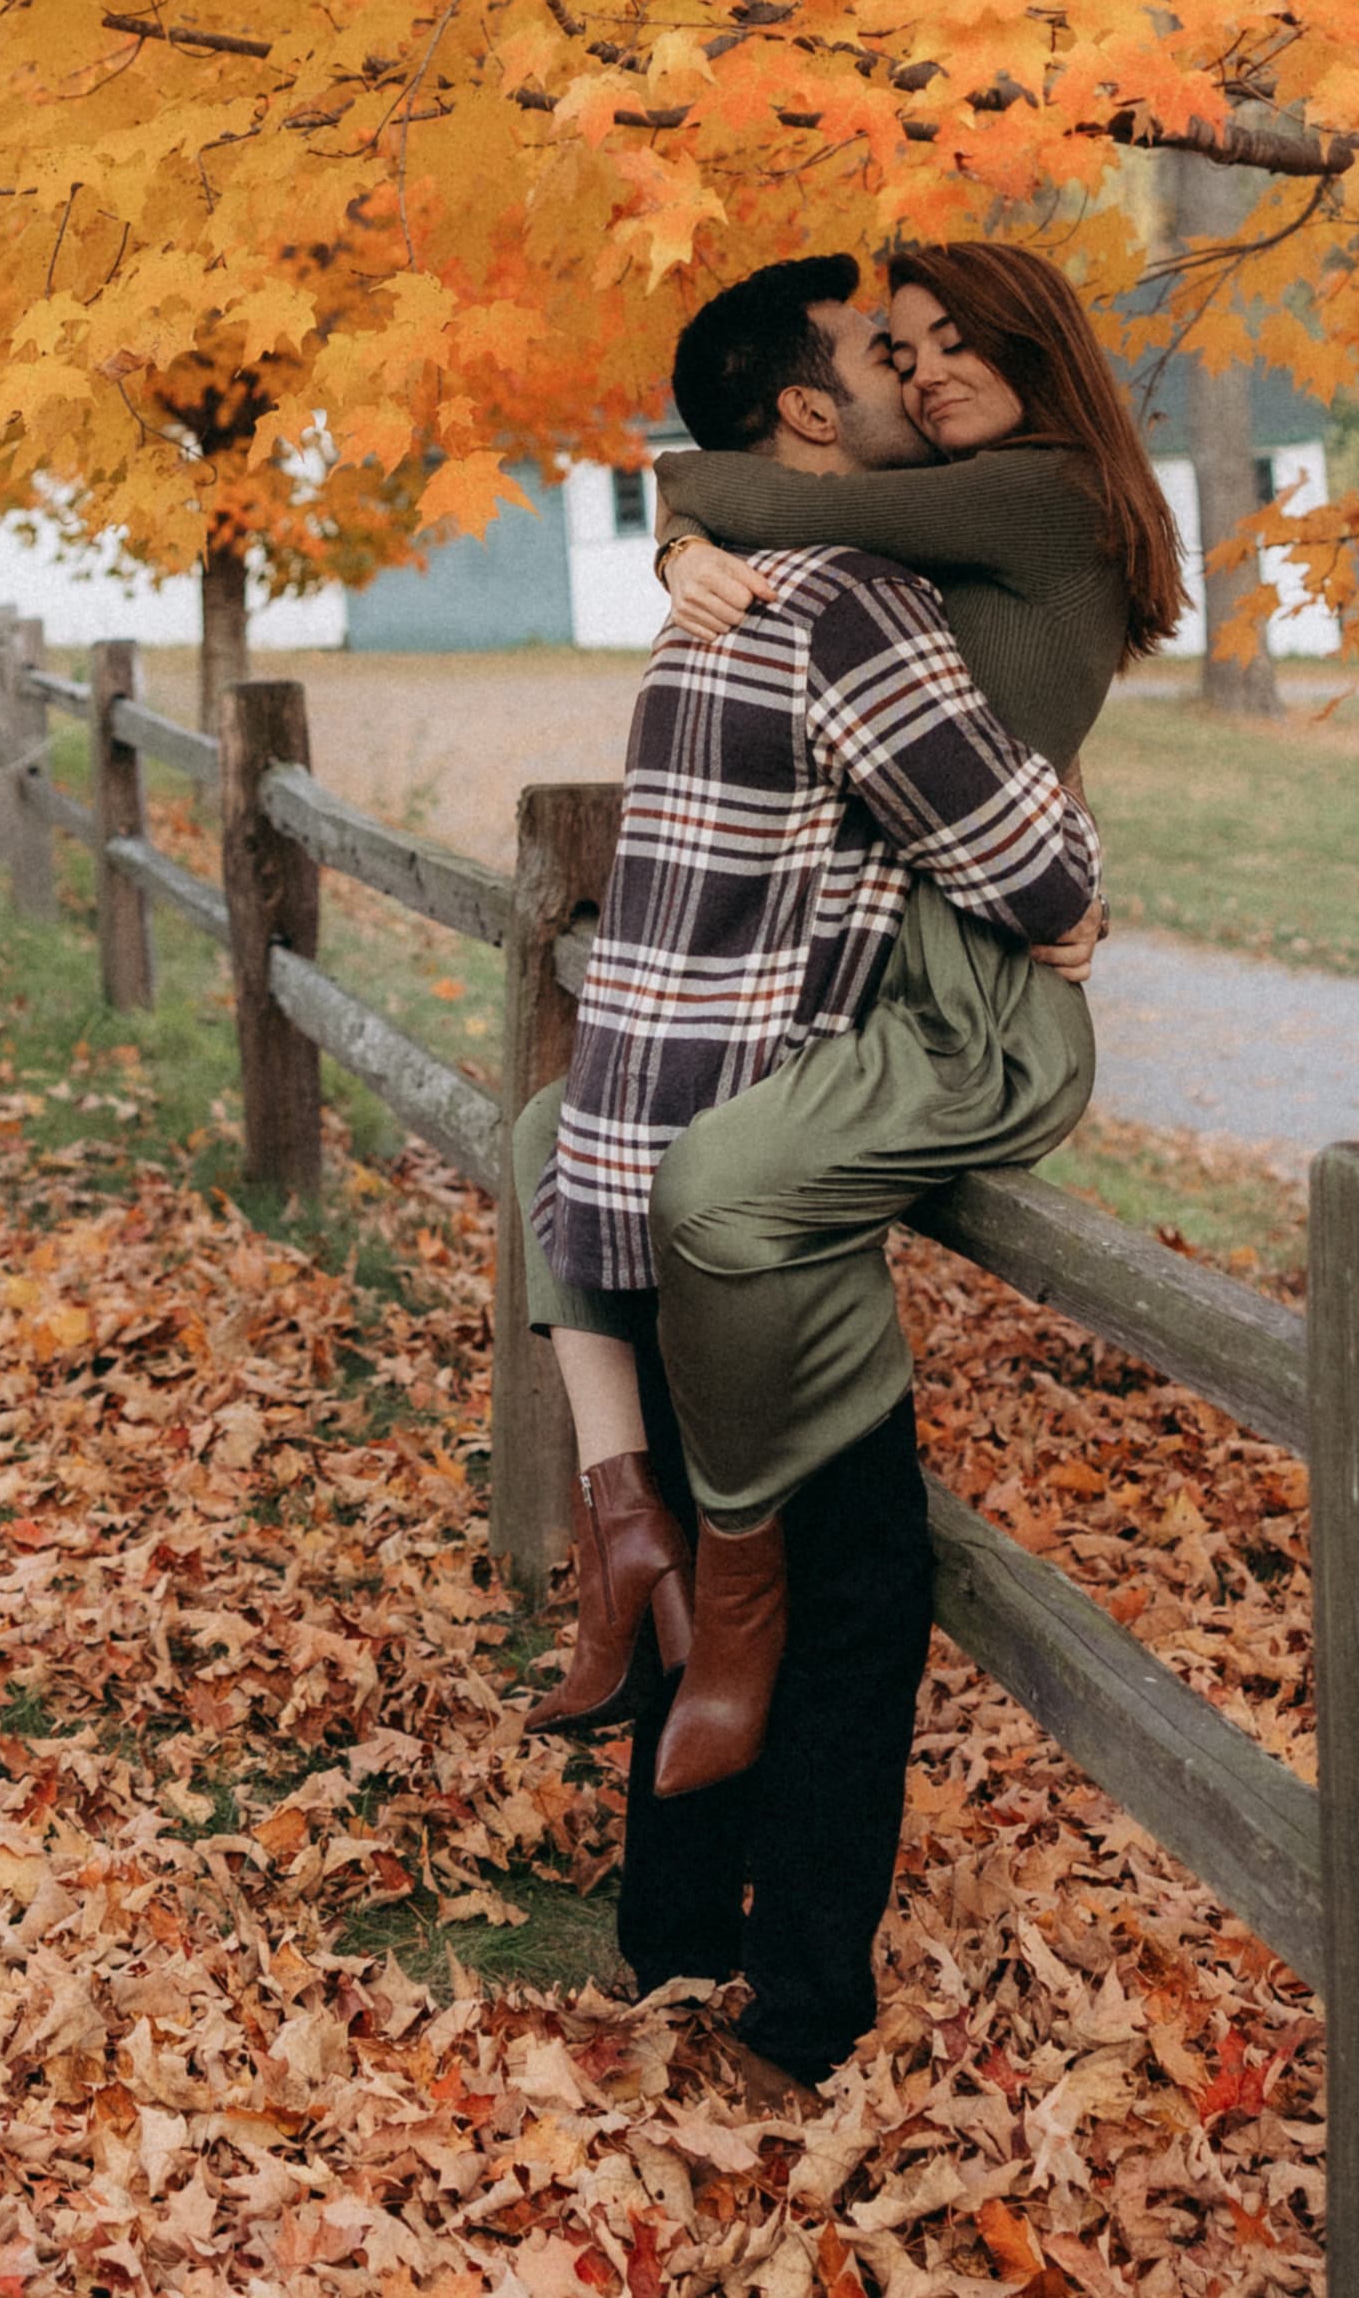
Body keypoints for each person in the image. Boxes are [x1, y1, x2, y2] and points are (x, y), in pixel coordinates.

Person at [505, 253, 1107, 2102]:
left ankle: (671, 1930)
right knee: (845, 1589)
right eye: (878, 354)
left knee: (704, 1517)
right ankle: (799, 2009)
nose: (910, 381)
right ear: (807, 413)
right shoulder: (844, 604)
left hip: (668, 1113)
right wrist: (1075, 898)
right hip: (782, 1122)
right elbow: (1024, 863)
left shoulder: (721, 606)